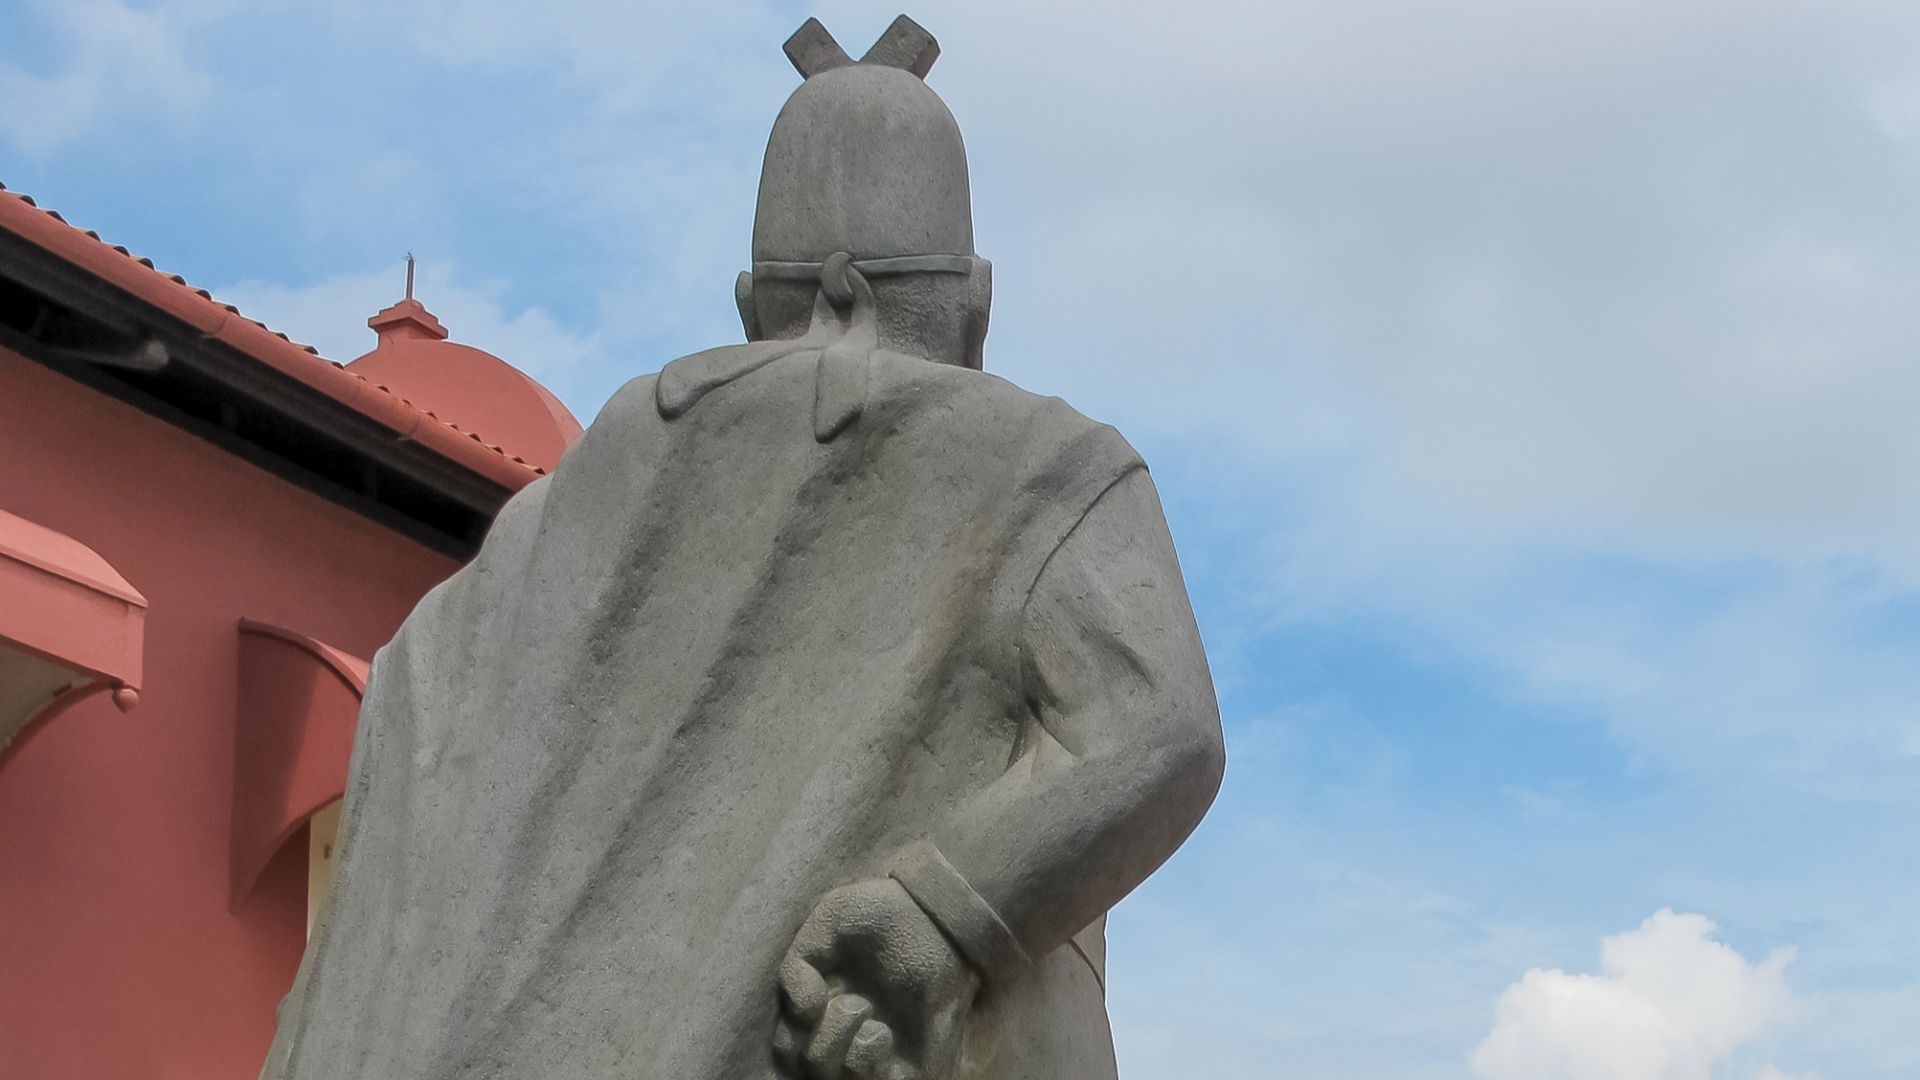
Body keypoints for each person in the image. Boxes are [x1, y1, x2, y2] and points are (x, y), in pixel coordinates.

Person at [260, 17, 1224, 1080]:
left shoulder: (523, 550)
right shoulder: (1051, 470)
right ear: (975, 306)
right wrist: (943, 914)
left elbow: (398, 772)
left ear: (750, 303)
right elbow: (1162, 730)